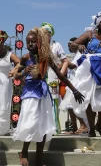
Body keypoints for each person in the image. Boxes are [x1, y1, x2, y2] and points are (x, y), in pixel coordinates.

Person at [12, 27, 84, 166]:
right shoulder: (26, 57)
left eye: (33, 41)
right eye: (28, 42)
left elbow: (60, 75)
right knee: (30, 122)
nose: (30, 44)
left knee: (43, 125)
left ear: (39, 42)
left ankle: (39, 158)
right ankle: (24, 151)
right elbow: (16, 75)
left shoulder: (46, 58)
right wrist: (24, 73)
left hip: (43, 93)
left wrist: (74, 90)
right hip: (30, 93)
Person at [41, 22, 68, 134]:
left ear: (49, 34)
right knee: (41, 102)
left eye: (44, 33)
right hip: (41, 77)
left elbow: (65, 61)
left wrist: (60, 75)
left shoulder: (56, 45)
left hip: (53, 77)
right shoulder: (38, 45)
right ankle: (42, 128)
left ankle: (55, 129)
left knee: (54, 102)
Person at [60, 37, 88, 134]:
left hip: (77, 83)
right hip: (71, 83)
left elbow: (74, 66)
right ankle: (74, 127)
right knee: (70, 106)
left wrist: (64, 62)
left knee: (75, 105)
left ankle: (83, 125)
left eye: (70, 45)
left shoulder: (82, 53)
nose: (69, 47)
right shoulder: (75, 55)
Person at [0, 30, 20, 135]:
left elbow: (20, 63)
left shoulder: (9, 55)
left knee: (3, 105)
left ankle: (3, 130)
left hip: (4, 83)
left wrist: (14, 70)